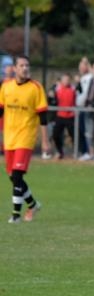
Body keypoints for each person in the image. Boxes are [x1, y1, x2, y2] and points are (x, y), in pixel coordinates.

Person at [0, 55, 45, 223]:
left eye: (27, 65)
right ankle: (33, 205)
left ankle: (16, 215)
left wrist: (46, 141)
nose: (25, 68)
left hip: (26, 137)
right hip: (9, 138)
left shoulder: (36, 87)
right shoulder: (6, 86)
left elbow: (44, 117)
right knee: (13, 177)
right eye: (21, 65)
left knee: (17, 176)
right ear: (14, 68)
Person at [52, 73, 76, 159]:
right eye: (64, 79)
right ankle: (59, 151)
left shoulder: (73, 89)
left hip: (70, 116)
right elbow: (52, 98)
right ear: (61, 81)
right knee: (56, 135)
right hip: (60, 115)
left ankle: (75, 152)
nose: (66, 81)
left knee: (74, 135)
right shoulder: (57, 88)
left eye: (68, 79)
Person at [75, 57, 93, 160]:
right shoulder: (82, 78)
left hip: (84, 107)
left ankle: (87, 151)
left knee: (86, 130)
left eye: (83, 65)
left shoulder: (89, 77)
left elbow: (85, 94)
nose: (80, 68)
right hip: (79, 107)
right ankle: (83, 151)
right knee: (80, 130)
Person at [1, 63, 16, 155]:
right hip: (3, 110)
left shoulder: (15, 82)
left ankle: (8, 148)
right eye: (7, 69)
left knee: (10, 131)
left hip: (12, 111)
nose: (9, 70)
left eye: (10, 69)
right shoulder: (2, 82)